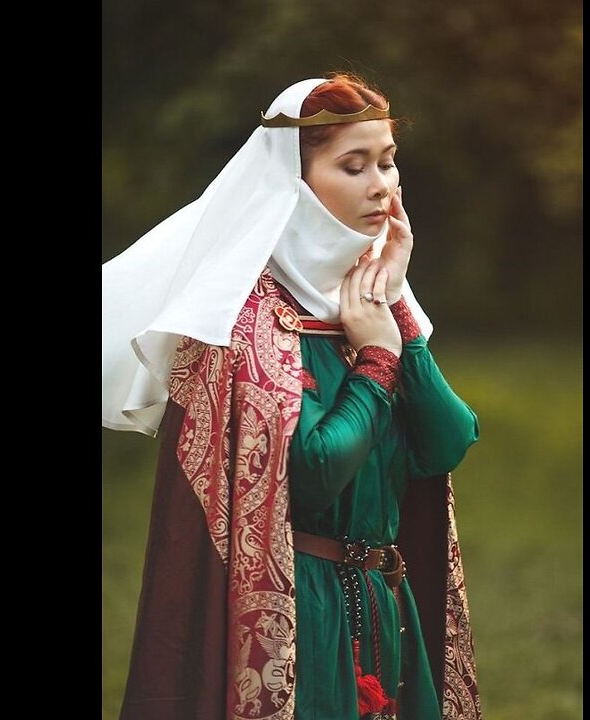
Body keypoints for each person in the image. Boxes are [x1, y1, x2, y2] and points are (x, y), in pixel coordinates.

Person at [102, 73, 482, 720]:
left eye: (388, 163)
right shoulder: (243, 319)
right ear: (294, 185)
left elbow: (447, 442)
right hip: (298, 612)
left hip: (386, 604)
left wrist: (398, 323)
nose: (381, 185)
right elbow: (311, 475)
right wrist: (378, 361)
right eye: (353, 166)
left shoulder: (370, 300)